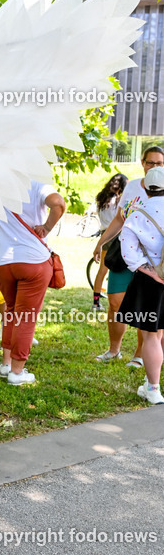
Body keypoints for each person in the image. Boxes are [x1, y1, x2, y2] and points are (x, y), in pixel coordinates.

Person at [92, 147, 164, 365]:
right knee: (114, 301)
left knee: (148, 308)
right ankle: (114, 350)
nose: (154, 167)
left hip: (153, 261)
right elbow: (119, 219)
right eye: (150, 163)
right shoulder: (132, 186)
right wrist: (100, 242)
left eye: (159, 163)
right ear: (142, 163)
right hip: (125, 254)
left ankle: (140, 354)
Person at [0, 181, 66, 385]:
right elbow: (58, 203)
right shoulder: (37, 184)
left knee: (11, 311)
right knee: (25, 317)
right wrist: (47, 227)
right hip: (32, 259)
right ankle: (17, 372)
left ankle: (6, 364)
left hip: (2, 261)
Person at [115, 166, 164, 405]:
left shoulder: (136, 214)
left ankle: (153, 389)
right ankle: (151, 385)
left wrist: (152, 273)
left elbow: (129, 254)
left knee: (151, 336)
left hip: (150, 284)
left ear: (145, 187)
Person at [91, 173, 127, 309]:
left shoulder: (101, 199)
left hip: (104, 235)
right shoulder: (118, 201)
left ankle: (95, 302)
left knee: (102, 271)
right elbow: (119, 220)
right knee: (118, 269)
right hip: (116, 236)